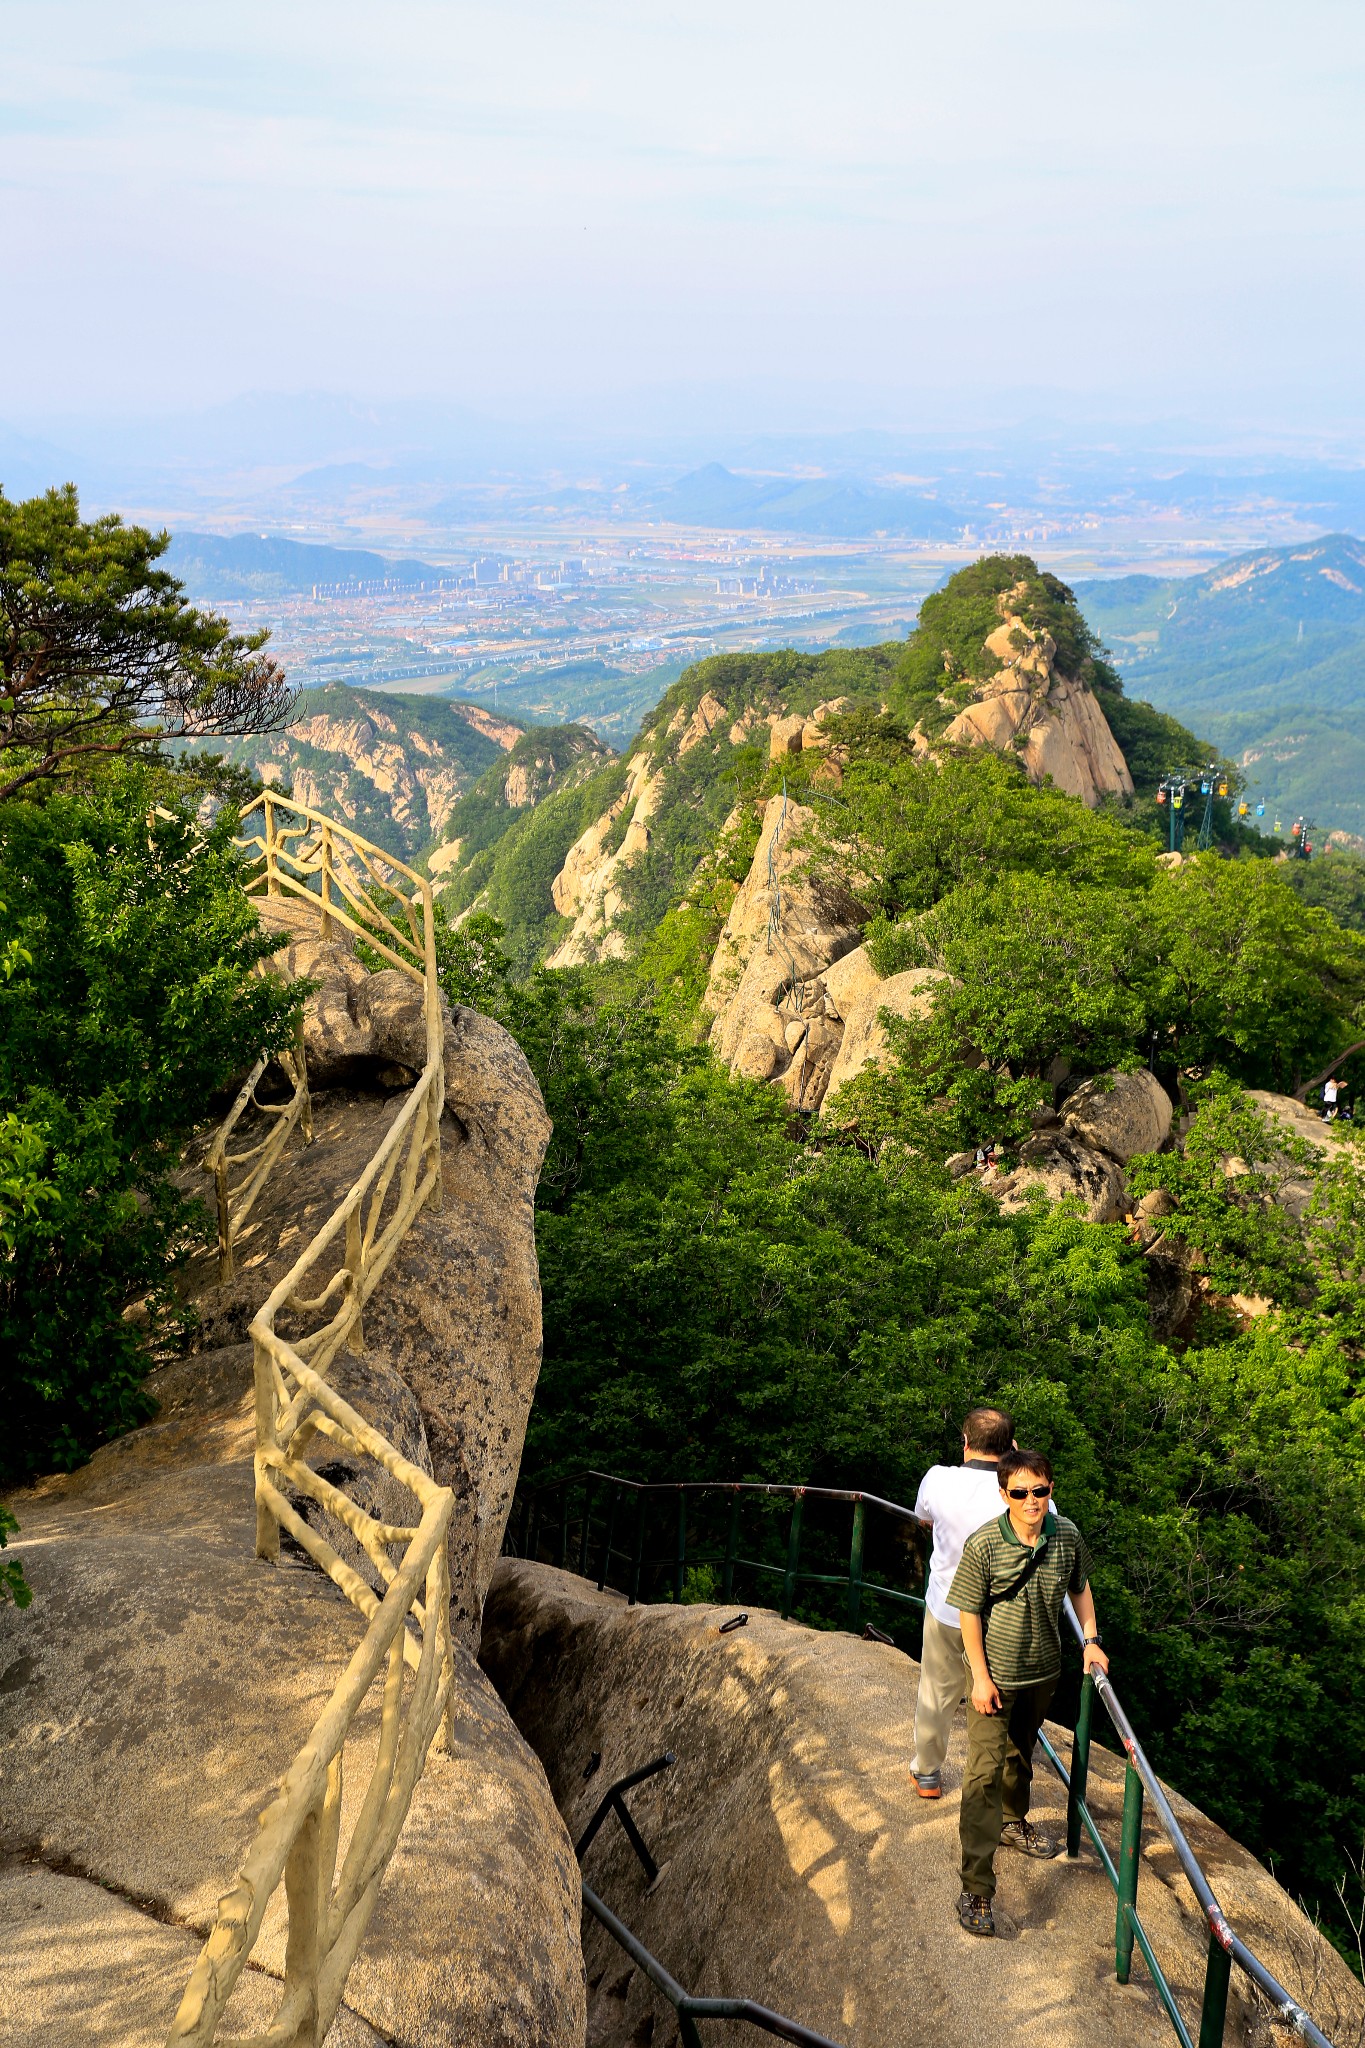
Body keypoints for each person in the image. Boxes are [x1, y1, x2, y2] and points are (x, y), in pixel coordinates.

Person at [947, 1448, 1109, 1938]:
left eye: (1039, 1490)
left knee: (1022, 1752)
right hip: (994, 1674)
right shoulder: (984, 1546)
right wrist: (979, 1675)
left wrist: (1092, 1639)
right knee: (981, 1776)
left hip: (1042, 1671)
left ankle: (1013, 1822)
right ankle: (977, 1886)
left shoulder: (1067, 1537)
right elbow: (969, 1613)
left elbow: (1080, 1587)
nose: (1031, 1500)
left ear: (1050, 1490)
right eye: (1020, 1492)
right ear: (1004, 1495)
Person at [909, 1407, 1017, 1799]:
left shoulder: (939, 1479)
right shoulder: (1022, 1492)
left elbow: (922, 1515)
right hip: (1000, 1619)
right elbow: (1048, 1522)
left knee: (936, 1691)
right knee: (991, 1701)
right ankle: (987, 1785)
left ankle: (927, 1774)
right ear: (1010, 1450)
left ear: (966, 1444)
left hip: (946, 1608)